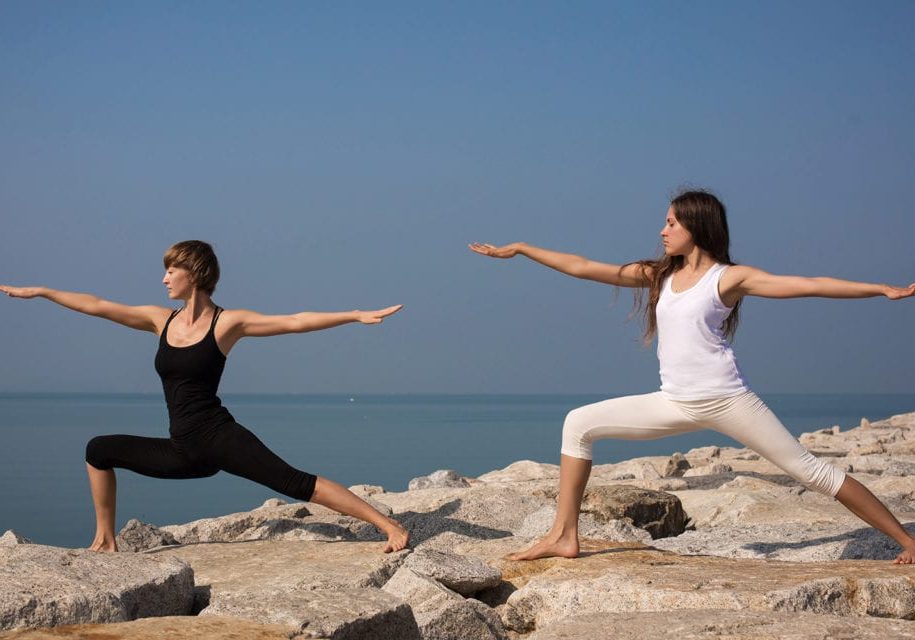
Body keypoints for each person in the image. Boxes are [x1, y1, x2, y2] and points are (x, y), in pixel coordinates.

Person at [470, 189, 915, 564]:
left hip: (727, 400)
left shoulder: (728, 279)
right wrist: (524, 249)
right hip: (675, 401)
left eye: (670, 223)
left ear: (695, 228)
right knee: (578, 423)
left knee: (811, 471)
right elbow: (586, 267)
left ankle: (906, 540)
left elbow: (807, 284)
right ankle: (564, 535)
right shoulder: (660, 276)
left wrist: (878, 289)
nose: (662, 231)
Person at [0, 240, 409, 553]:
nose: (163, 279)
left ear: (192, 273)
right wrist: (42, 291)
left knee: (297, 483)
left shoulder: (226, 323)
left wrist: (354, 315)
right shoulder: (160, 320)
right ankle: (105, 541)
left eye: (170, 270)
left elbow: (295, 320)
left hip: (220, 438)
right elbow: (98, 305)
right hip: (184, 450)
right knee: (98, 450)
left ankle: (390, 526)